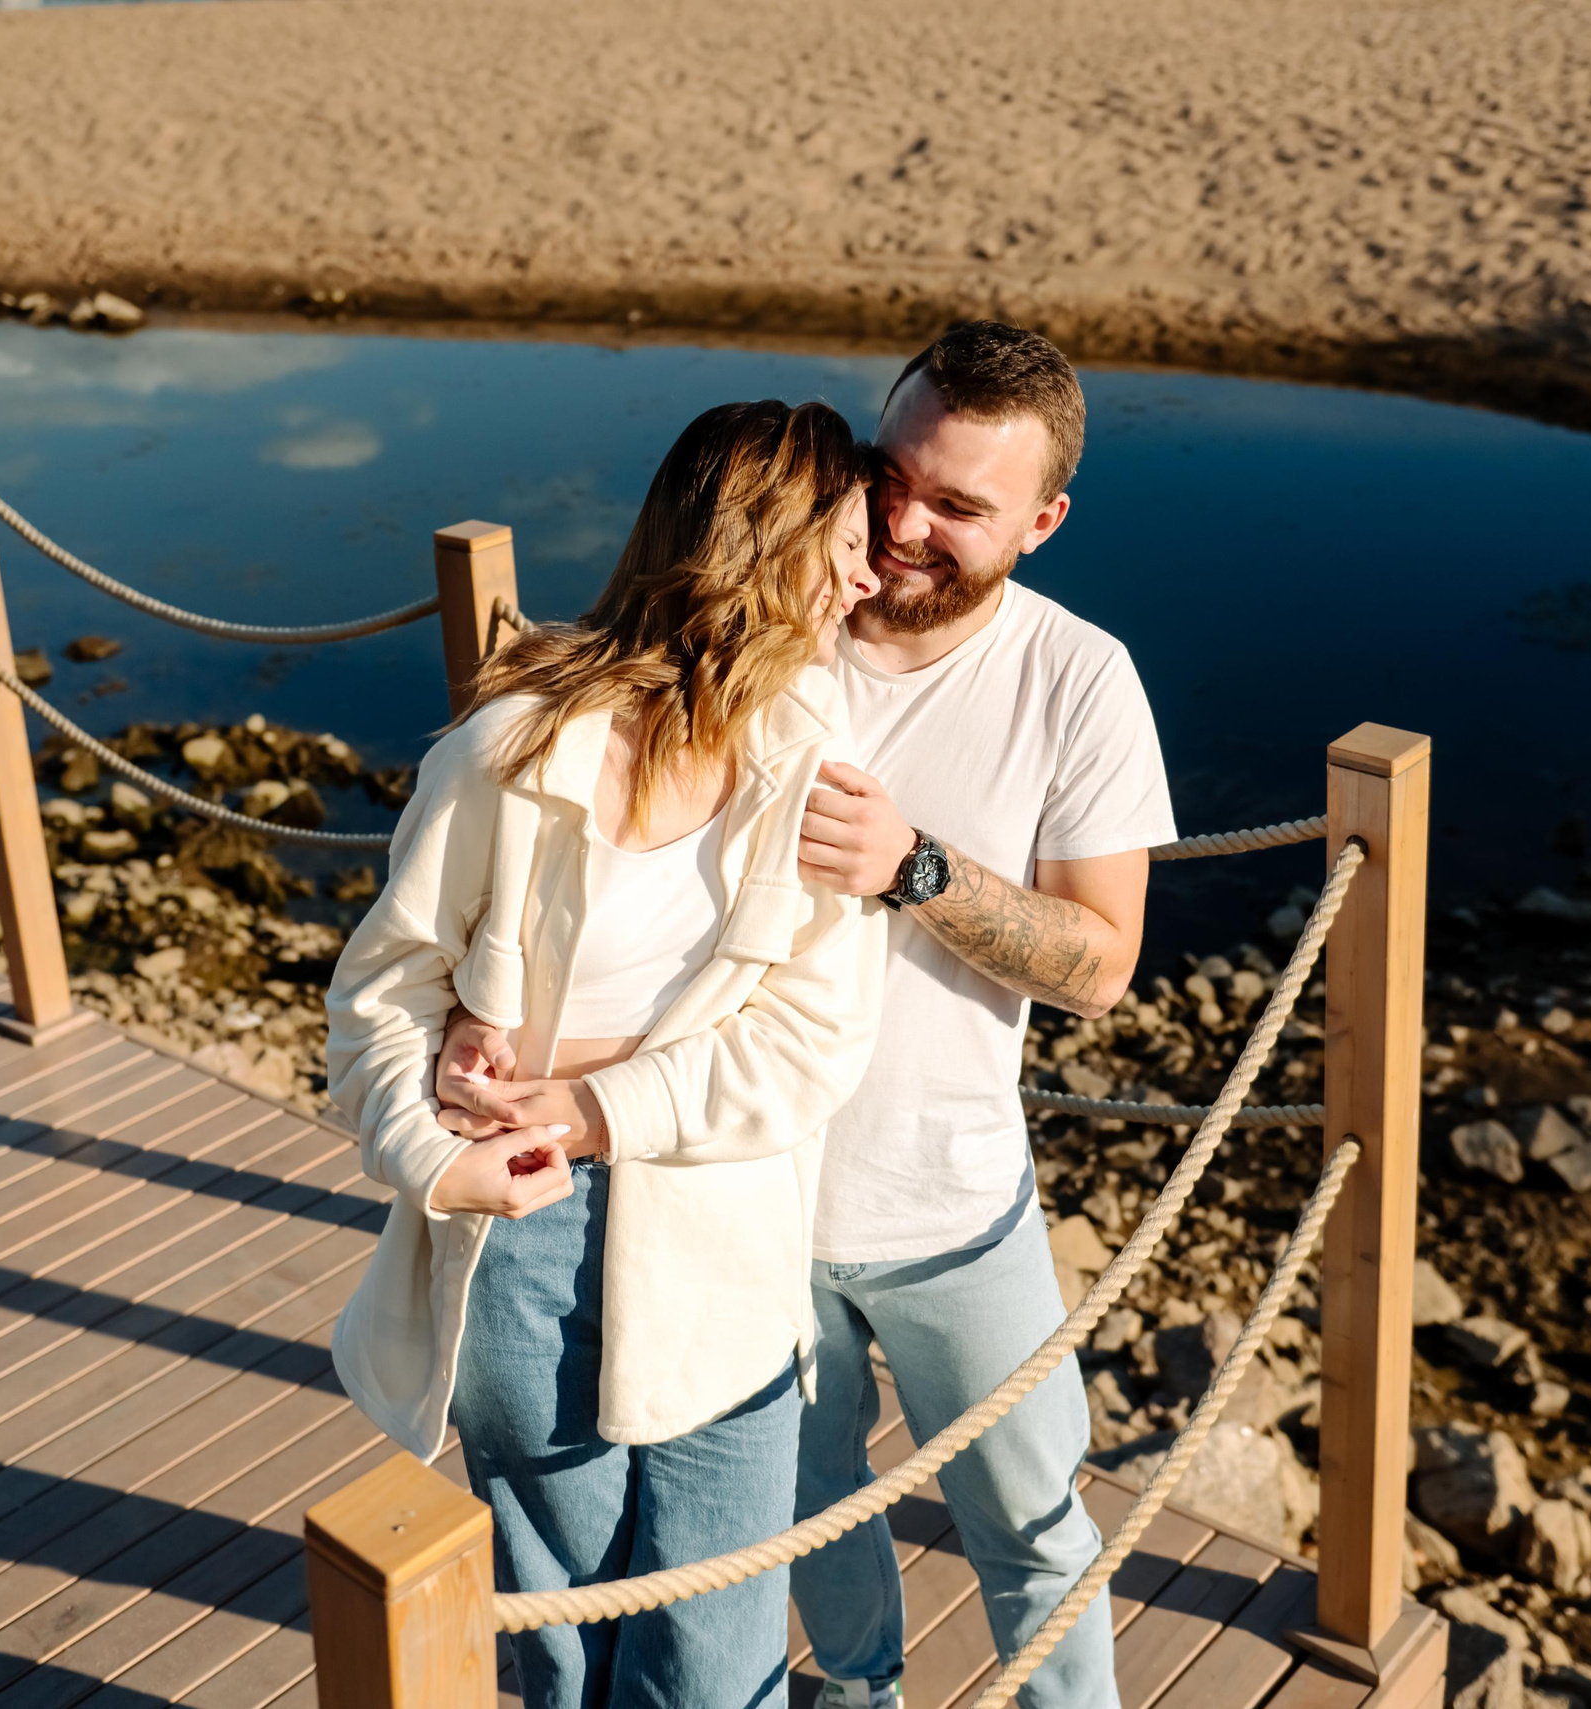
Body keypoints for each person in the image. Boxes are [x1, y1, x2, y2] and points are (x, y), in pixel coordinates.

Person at [326, 399, 890, 1709]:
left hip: (724, 1259)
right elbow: (375, 996)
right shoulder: (508, 752)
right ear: (763, 540)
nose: (870, 574)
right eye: (848, 540)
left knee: (714, 1661)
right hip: (521, 1242)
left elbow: (812, 1043)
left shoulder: (817, 767)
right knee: (569, 1653)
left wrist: (583, 1089)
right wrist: (432, 1158)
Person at [787, 322, 1174, 1708]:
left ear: (1044, 521)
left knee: (1030, 1527)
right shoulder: (769, 614)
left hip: (952, 1209)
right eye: (891, 477)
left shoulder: (1082, 680)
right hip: (750, 1195)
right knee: (807, 1507)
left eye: (959, 506)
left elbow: (1100, 961)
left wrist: (916, 867)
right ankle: (855, 1694)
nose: (901, 525)